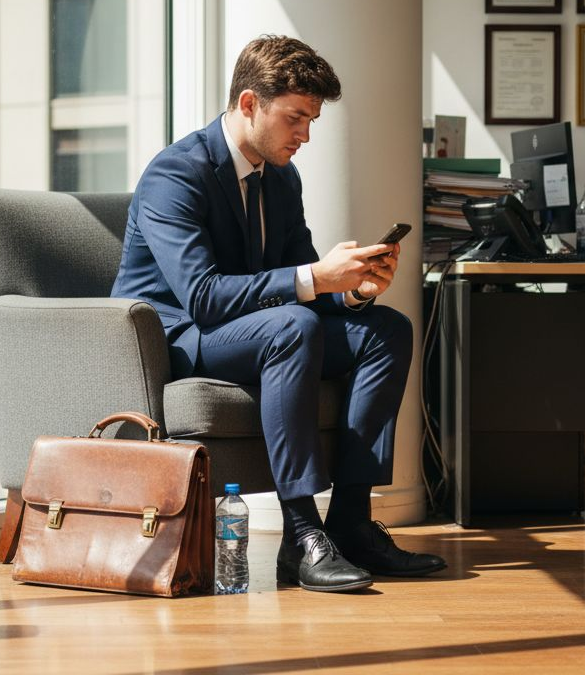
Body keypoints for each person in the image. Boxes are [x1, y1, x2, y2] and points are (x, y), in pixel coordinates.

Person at [111, 35, 445, 593]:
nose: (306, 135)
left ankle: (352, 526)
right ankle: (300, 534)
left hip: (257, 330)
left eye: (312, 120)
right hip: (181, 337)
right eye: (295, 118)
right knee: (293, 324)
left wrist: (356, 289)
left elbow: (302, 276)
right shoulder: (175, 175)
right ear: (249, 104)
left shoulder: (281, 179)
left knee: (387, 329)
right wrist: (316, 280)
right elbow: (204, 297)